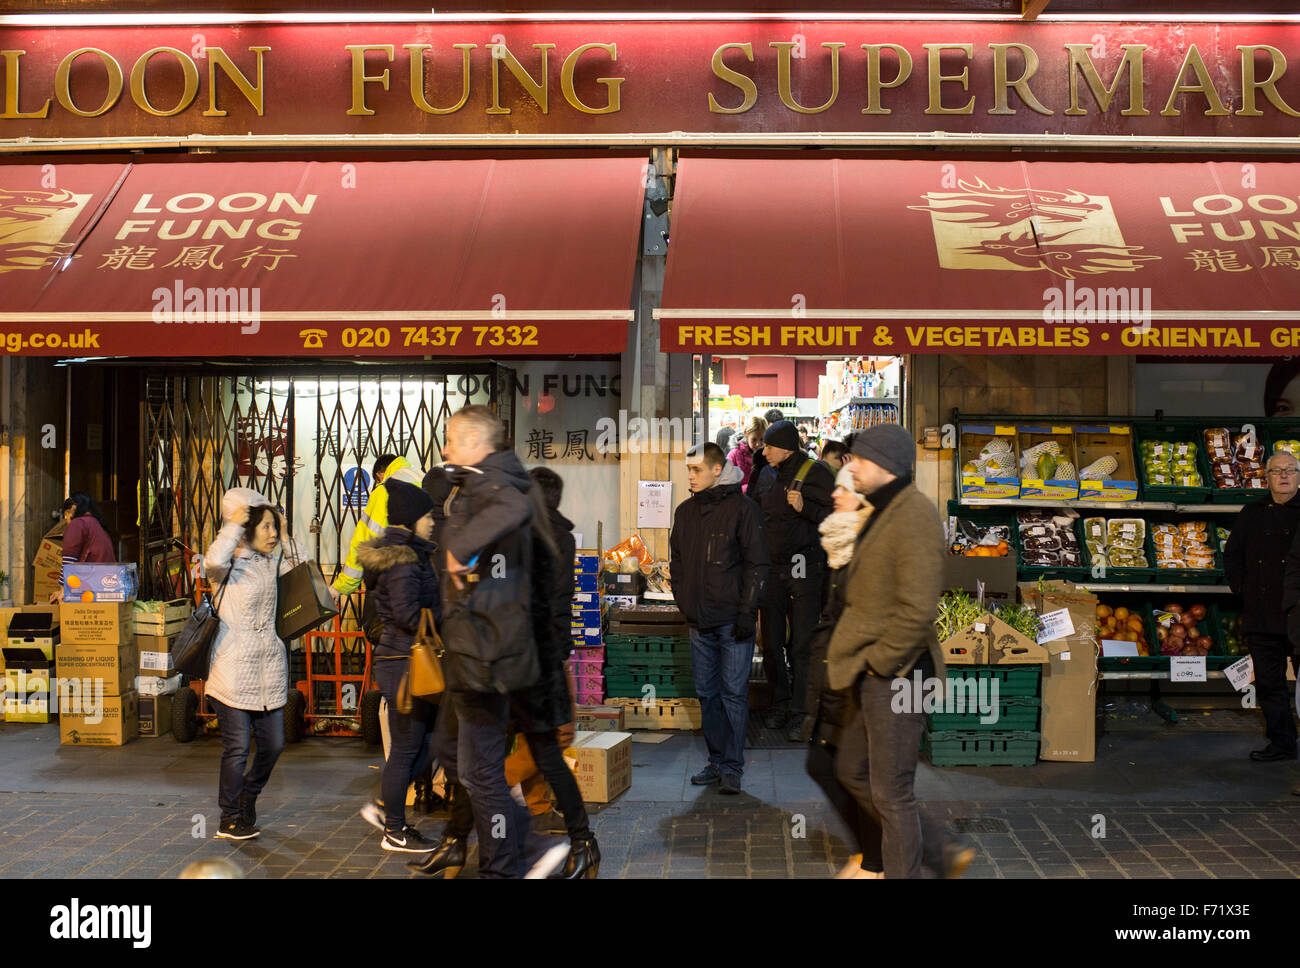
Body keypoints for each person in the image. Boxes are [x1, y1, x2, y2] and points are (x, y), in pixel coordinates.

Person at [828, 425, 970, 879]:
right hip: (869, 670)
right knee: (852, 771)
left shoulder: (915, 515)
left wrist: (881, 662)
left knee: (891, 794)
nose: (850, 466)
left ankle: (909, 866)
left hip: (901, 673)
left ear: (881, 463)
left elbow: (918, 607)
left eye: (857, 459)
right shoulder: (879, 509)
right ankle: (939, 850)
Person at [436, 405, 540, 879]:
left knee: (479, 773)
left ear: (476, 442)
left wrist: (461, 548)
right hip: (478, 650)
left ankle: (511, 863)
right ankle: (520, 856)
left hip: (484, 652)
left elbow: (512, 507)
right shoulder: (477, 481)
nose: (445, 449)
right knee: (475, 772)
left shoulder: (492, 483)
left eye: (452, 440)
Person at [508, 476, 600, 878]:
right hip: (541, 655)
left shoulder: (536, 538)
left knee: (543, 745)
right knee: (543, 744)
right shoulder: (557, 536)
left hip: (530, 659)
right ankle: (570, 833)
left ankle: (564, 835)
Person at [670, 444, 769, 794]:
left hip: (732, 621)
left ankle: (732, 767)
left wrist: (748, 612)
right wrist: (683, 600)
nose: (691, 476)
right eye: (689, 470)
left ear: (717, 470)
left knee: (733, 694)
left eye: (697, 469)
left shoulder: (744, 509)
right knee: (707, 694)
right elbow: (677, 563)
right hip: (699, 621)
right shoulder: (684, 512)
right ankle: (716, 761)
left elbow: (758, 564)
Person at [203, 487, 296, 841]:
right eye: (267, 526)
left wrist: (286, 535)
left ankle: (248, 797)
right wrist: (233, 525)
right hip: (231, 669)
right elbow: (211, 561)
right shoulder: (227, 567)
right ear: (247, 528)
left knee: (274, 744)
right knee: (238, 746)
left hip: (269, 668)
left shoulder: (272, 560)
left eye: (275, 527)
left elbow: (300, 575)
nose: (272, 534)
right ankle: (229, 817)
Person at [355, 480, 443, 852]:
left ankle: (386, 808)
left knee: (431, 740)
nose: (433, 522)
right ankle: (393, 828)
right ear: (410, 519)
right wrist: (451, 610)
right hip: (405, 662)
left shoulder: (410, 554)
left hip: (404, 659)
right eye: (427, 516)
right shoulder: (404, 560)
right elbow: (409, 614)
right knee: (409, 747)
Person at [803, 466, 880, 877]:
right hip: (836, 679)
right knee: (825, 765)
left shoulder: (865, 547)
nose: (833, 493)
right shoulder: (840, 543)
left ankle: (878, 860)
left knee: (849, 771)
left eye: (842, 488)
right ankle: (876, 854)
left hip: (857, 683)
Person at [754, 419, 834, 740]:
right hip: (771, 568)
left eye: (770, 446)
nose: (764, 450)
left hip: (805, 567)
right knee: (771, 642)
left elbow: (837, 516)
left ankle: (801, 711)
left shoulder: (817, 473)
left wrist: (806, 509)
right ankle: (779, 703)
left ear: (787, 447)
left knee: (801, 642)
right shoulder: (764, 474)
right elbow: (754, 512)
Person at [513, 466, 580, 836]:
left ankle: (538, 806)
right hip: (545, 648)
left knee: (532, 731)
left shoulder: (515, 531)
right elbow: (559, 598)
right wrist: (562, 646)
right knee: (560, 733)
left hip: (515, 647)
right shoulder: (557, 536)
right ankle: (481, 786)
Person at [1229, 450, 1300, 762]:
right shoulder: (1252, 512)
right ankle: (1282, 743)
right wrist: (1244, 591)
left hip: (1298, 613)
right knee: (1270, 683)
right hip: (1261, 612)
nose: (1284, 476)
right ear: (1267, 476)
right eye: (1277, 470)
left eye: (1290, 470)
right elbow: (1233, 556)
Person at [331, 454, 423, 602]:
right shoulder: (426, 482)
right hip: (425, 585)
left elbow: (367, 542)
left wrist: (342, 585)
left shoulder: (384, 491)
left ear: (380, 475)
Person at [52, 493, 116, 603]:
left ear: (69, 513)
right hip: (107, 586)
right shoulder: (96, 524)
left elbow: (69, 561)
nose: (67, 519)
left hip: (92, 589)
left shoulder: (77, 524)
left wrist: (63, 590)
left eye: (67, 515)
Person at [728, 416, 766, 493]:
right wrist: (747, 489)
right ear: (746, 434)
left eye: (762, 439)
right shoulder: (734, 454)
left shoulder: (768, 455)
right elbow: (726, 483)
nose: (758, 444)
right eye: (754, 440)